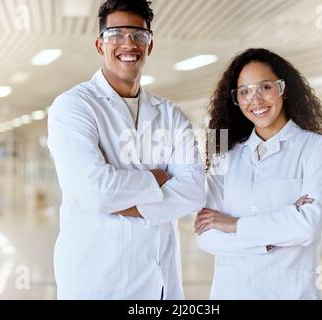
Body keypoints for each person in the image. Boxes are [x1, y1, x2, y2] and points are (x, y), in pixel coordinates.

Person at [47, 0, 205, 300]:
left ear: (150, 44)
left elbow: (195, 190)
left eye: (138, 35)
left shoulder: (170, 114)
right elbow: (97, 191)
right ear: (99, 44)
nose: (128, 43)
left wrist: (122, 203)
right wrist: (157, 177)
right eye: (116, 34)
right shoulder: (73, 107)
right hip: (95, 279)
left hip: (159, 282)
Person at [195, 48, 322, 300]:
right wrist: (272, 239)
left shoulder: (317, 148)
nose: (256, 100)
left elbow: (306, 227)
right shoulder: (223, 155)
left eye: (265, 87)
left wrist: (233, 225)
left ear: (283, 89)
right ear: (236, 99)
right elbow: (206, 236)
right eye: (245, 92)